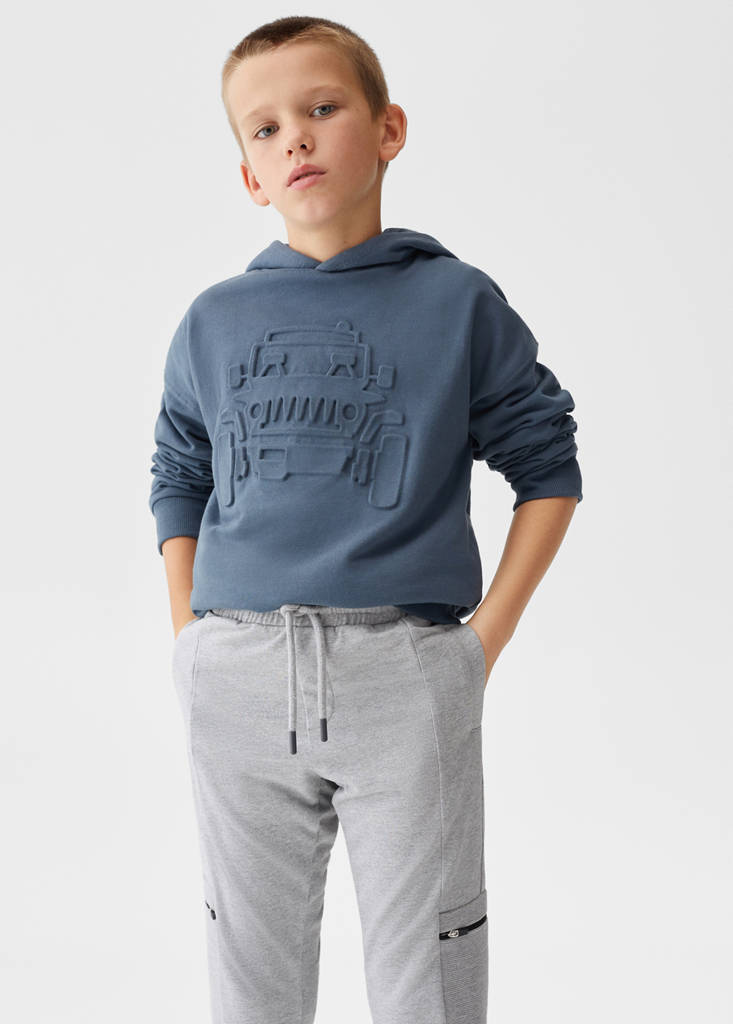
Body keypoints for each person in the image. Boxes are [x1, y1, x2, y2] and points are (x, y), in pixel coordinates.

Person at [148, 15, 583, 1024]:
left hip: (403, 672)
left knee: (430, 968)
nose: (294, 137)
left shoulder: (454, 301)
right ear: (250, 177)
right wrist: (188, 637)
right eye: (264, 129)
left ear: (388, 130)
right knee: (248, 980)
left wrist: (476, 646)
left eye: (321, 108)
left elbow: (547, 466)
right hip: (237, 672)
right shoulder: (213, 319)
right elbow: (180, 472)